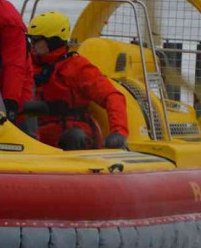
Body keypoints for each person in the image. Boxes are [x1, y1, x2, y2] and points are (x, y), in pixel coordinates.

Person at [26, 11, 129, 151]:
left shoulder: (78, 68)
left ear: (53, 41)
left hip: (69, 135)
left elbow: (112, 96)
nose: (32, 45)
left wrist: (119, 132)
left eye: (36, 40)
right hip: (33, 134)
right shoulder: (25, 64)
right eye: (30, 40)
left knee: (74, 137)